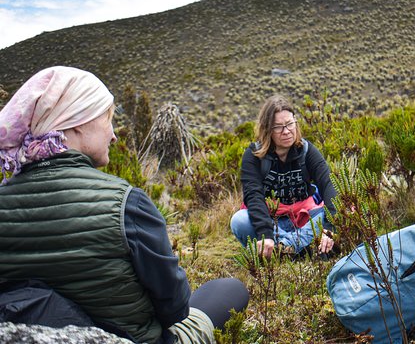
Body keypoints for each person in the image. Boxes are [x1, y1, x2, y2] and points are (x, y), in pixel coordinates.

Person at [0, 66, 249, 344]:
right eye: (108, 119)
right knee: (228, 288)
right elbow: (175, 308)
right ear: (77, 121)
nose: (114, 135)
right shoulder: (126, 202)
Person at [230, 95, 337, 258]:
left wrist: (330, 228)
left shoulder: (306, 151)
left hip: (304, 218)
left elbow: (329, 183)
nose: (286, 131)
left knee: (343, 210)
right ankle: (303, 248)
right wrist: (265, 234)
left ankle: (285, 249)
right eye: (278, 127)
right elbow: (253, 196)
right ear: (267, 130)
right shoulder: (254, 155)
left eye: (289, 124)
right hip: (270, 222)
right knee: (239, 221)